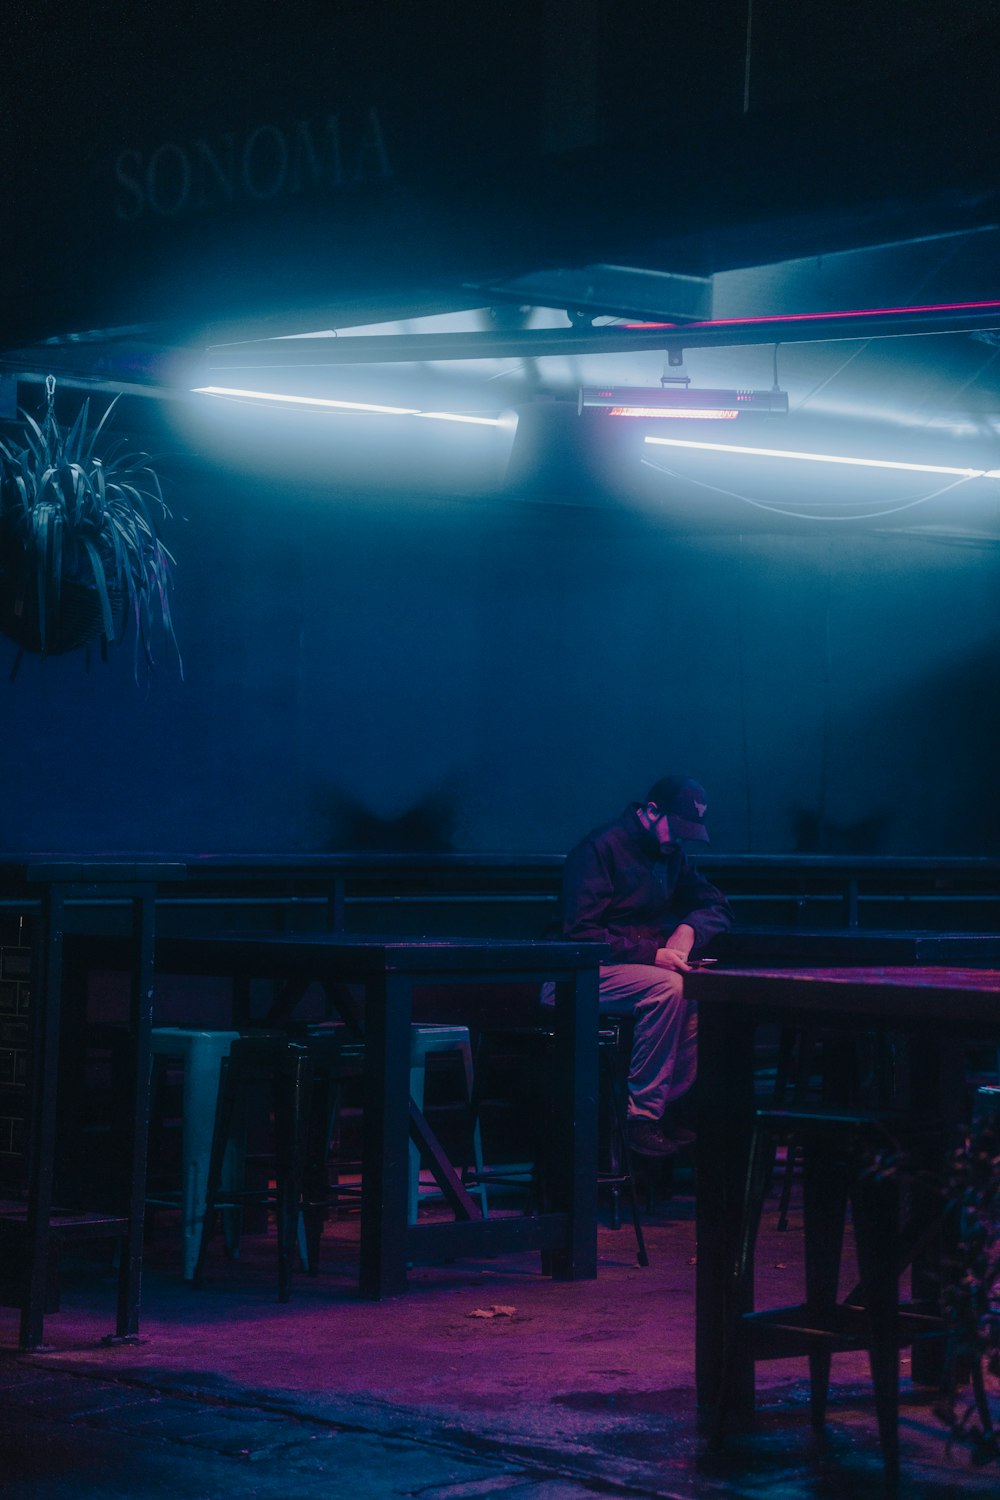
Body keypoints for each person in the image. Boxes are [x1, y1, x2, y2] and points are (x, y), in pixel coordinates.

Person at [558, 776, 732, 1156]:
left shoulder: (671, 855)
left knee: (699, 986)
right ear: (651, 812)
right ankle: (641, 1117)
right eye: (678, 827)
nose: (679, 839)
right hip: (577, 975)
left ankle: (669, 1106)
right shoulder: (600, 848)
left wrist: (689, 929)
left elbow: (716, 904)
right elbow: (580, 936)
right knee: (667, 988)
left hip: (631, 971)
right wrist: (652, 954)